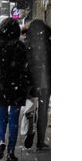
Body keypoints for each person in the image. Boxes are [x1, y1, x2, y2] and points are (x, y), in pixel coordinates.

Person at [0, 18, 31, 161]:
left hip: (0, 85)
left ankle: (1, 140)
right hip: (16, 86)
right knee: (14, 120)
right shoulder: (20, 46)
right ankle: (11, 152)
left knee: (1, 119)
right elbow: (24, 66)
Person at [25, 19, 51, 150]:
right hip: (45, 83)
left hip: (31, 83)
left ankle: (29, 132)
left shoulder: (27, 43)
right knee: (42, 112)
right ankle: (40, 141)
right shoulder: (48, 43)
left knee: (30, 110)